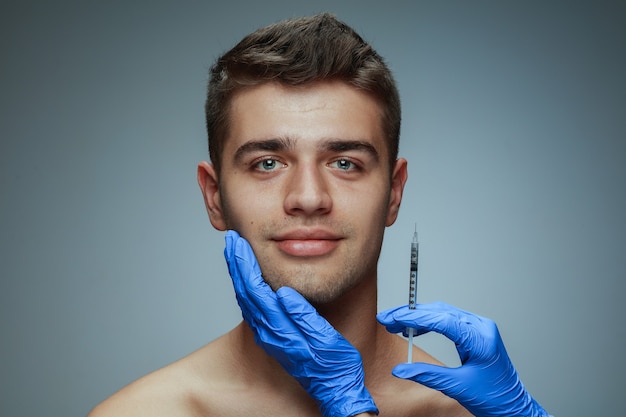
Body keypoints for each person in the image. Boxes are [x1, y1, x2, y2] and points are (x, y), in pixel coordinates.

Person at [88, 13, 552, 417]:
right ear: (214, 197)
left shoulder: (463, 412)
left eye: (345, 163)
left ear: (393, 192)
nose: (309, 197)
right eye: (267, 163)